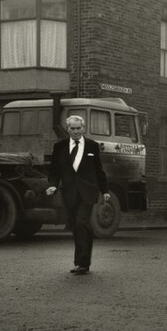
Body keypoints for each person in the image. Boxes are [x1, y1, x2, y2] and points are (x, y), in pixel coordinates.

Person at [46, 115, 110, 275]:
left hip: (87, 192)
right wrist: (53, 185)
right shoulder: (59, 147)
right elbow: (55, 170)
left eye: (78, 128)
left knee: (81, 223)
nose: (75, 131)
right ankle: (82, 261)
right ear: (67, 129)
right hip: (70, 192)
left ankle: (82, 263)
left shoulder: (92, 146)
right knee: (76, 226)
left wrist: (105, 191)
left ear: (83, 128)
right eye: (72, 129)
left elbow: (99, 170)